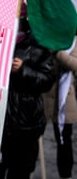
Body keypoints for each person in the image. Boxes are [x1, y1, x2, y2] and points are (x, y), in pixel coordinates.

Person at [0, 0, 56, 179]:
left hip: (25, 125)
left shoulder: (39, 44)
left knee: (20, 172)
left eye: (19, 19)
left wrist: (23, 70)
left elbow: (47, 80)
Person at [44, 37, 77, 179]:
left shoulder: (74, 41)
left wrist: (58, 52)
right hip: (44, 95)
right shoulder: (46, 36)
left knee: (63, 140)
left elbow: (75, 65)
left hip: (64, 101)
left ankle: (65, 175)